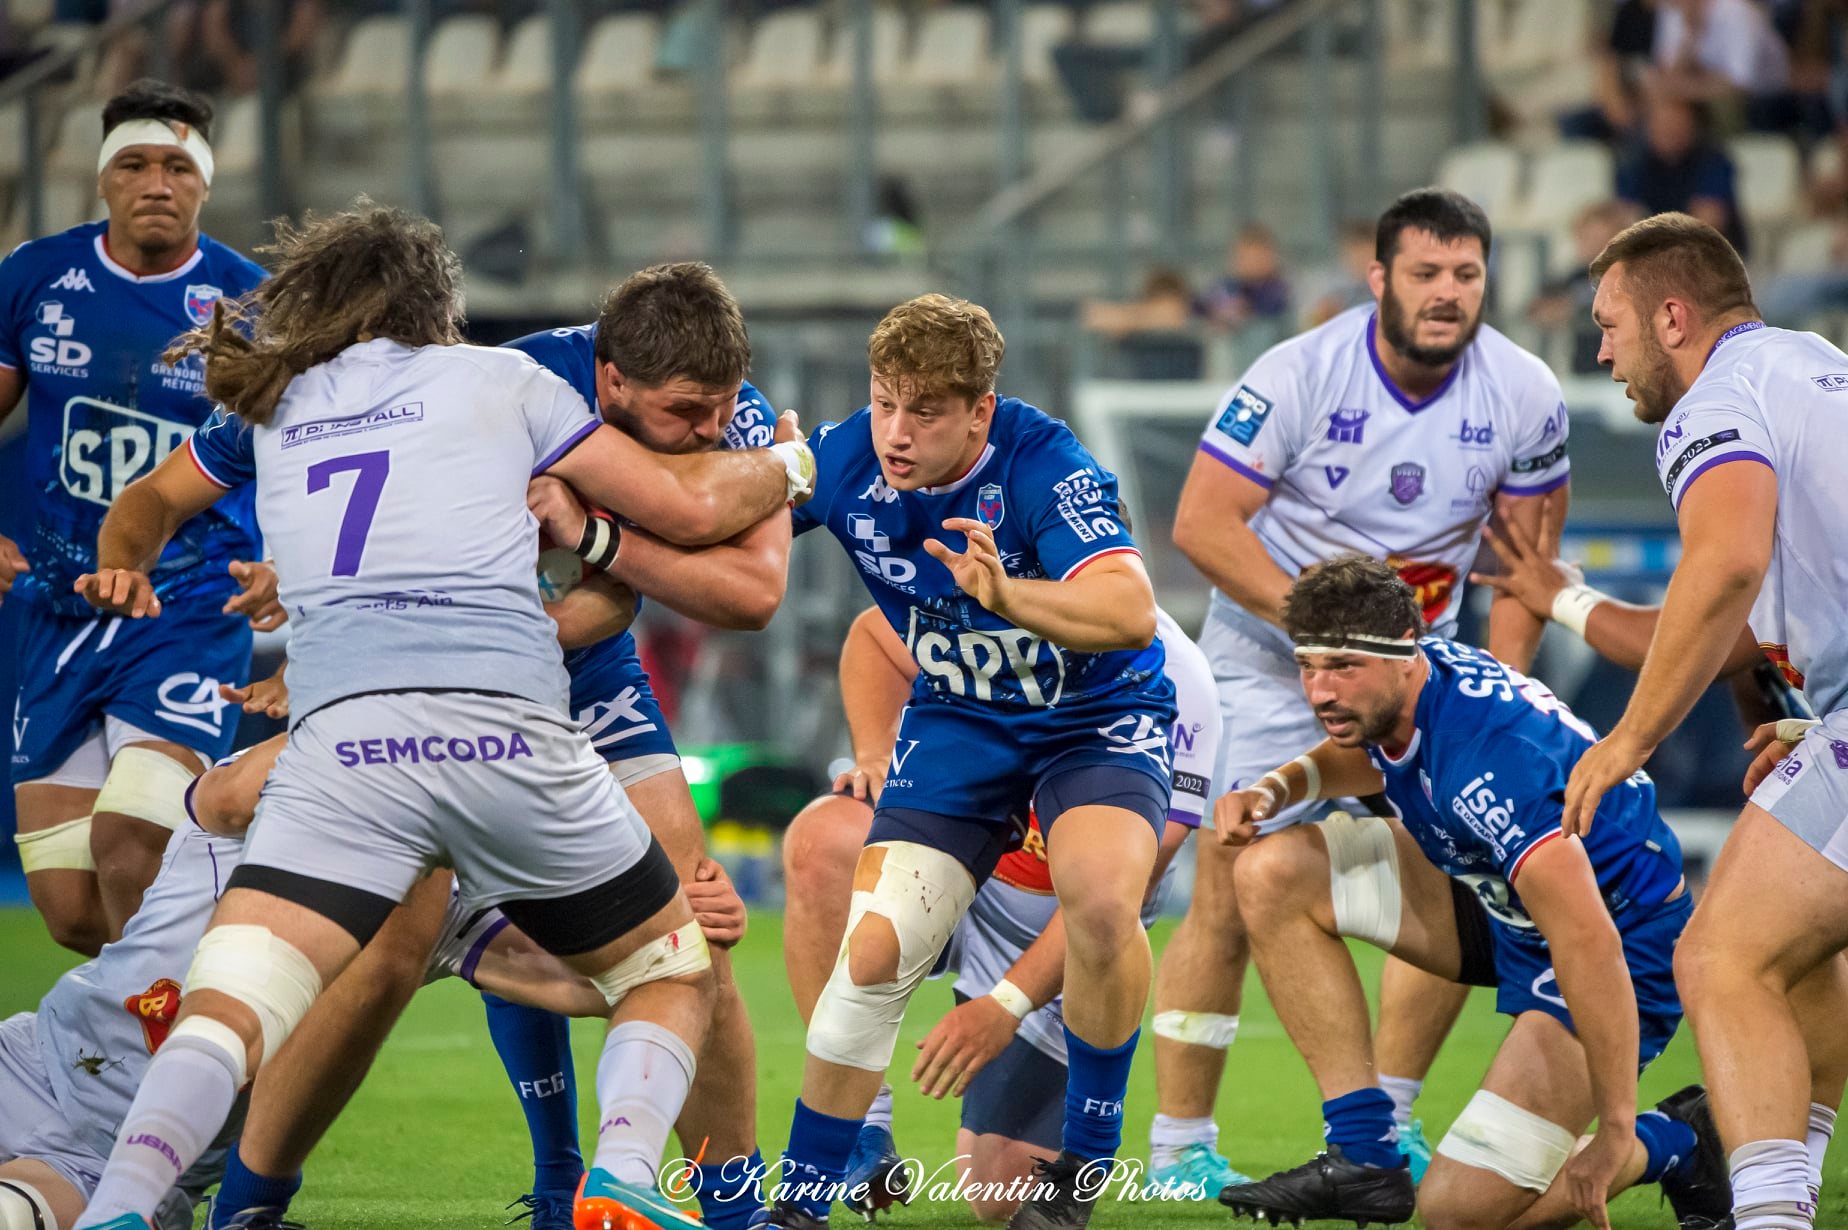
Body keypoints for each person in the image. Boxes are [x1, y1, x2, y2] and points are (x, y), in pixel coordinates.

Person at [60, 200, 813, 1230]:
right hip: (510, 711)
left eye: (721, 412)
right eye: (688, 412)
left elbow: (732, 594)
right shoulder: (514, 376)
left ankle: (128, 1200)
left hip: (393, 720)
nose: (714, 430)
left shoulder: (276, 399)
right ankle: (598, 1181)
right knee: (663, 956)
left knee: (235, 992)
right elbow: (689, 518)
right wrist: (793, 464)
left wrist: (363, 622)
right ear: (612, 378)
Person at [1152, 187, 1572, 1197]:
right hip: (1264, 661)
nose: (1447, 295)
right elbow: (1205, 524)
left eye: (1466, 275)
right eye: (1426, 274)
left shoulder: (1524, 392)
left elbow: (1524, 568)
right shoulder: (1296, 373)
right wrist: (1328, 636)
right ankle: (1177, 1149)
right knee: (1231, 868)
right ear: (1379, 278)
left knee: (1444, 869)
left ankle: (1385, 1120)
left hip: (1424, 676)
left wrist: (1500, 695)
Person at [765, 294, 1175, 1230]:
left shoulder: (1047, 464)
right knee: (873, 952)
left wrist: (1008, 592)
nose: (895, 434)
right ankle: (798, 1205)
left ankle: (1085, 1163)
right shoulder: (845, 458)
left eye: (925, 412)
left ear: (981, 412)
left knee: (1104, 900)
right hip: (960, 722)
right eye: (883, 404)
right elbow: (726, 516)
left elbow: (1129, 613)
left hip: (1094, 718)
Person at [1214, 554, 1731, 1230]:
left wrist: (1614, 1130)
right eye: (1309, 666)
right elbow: (1360, 754)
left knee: (1459, 1215)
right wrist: (1274, 789)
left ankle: (1678, 1142)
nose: (1319, 692)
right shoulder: (1410, 686)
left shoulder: (1489, 767)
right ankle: (1365, 1157)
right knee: (1271, 871)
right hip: (1507, 906)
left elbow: (1587, 939)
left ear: (1404, 652)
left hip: (1617, 942)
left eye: (1342, 667)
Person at [1563, 211, 1848, 1230]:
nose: (1602, 351)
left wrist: (1630, 739)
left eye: (1610, 323)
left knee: (1720, 958)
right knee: (1797, 952)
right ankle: (1784, 1184)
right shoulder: (1813, 363)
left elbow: (1721, 567)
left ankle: (1770, 1213)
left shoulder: (1713, 403)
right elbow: (1728, 623)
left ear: (1672, 316)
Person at [778, 597, 1218, 1223]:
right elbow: (875, 635)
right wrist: (874, 751)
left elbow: (1123, 893)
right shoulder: (984, 598)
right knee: (823, 841)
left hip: (1054, 922)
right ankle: (862, 1131)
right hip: (963, 863)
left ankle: (1080, 1164)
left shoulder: (1178, 675)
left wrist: (1006, 1003)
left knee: (1000, 1191)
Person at [0, 79, 273, 956]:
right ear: (103, 177)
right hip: (54, 603)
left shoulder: (253, 305)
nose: (157, 182)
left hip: (186, 606)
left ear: (205, 181)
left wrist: (287, 567)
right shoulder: (34, 276)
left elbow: (295, 453)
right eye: (136, 163)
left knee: (134, 845)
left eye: (177, 166)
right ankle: (192, 1013)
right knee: (76, 911)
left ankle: (207, 1068)